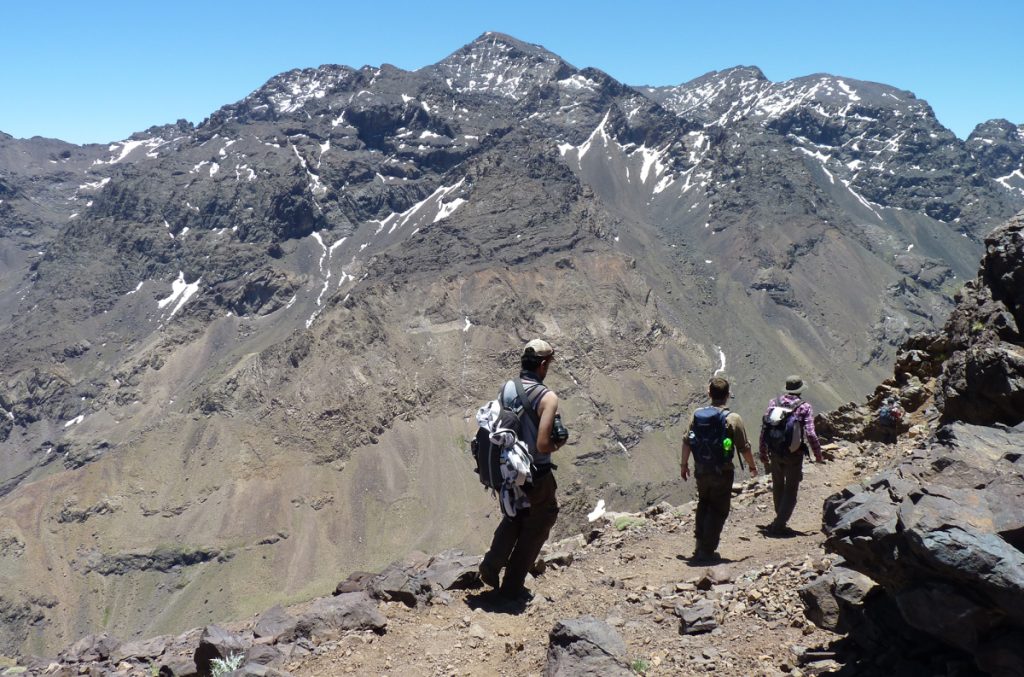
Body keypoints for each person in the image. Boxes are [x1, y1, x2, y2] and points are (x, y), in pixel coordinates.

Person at [479, 339, 567, 602]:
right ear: (542, 365)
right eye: (548, 364)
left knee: (515, 516)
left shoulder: (507, 388)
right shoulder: (548, 397)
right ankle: (512, 586)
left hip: (508, 470)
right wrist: (558, 442)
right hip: (536, 473)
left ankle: (491, 565)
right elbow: (542, 443)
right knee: (540, 522)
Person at [680, 376, 758, 563]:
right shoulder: (733, 418)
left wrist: (683, 465)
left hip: (700, 469)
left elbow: (687, 441)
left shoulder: (697, 414)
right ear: (728, 395)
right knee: (718, 509)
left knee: (704, 503)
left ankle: (699, 545)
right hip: (722, 471)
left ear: (709, 394)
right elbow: (744, 447)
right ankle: (707, 552)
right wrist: (752, 466)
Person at [759, 375, 824, 536]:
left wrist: (762, 451)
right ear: (800, 390)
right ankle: (779, 524)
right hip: (793, 454)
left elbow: (765, 427)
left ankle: (779, 519)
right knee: (791, 490)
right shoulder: (804, 407)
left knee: (778, 485)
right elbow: (810, 433)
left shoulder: (774, 403)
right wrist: (818, 454)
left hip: (774, 451)